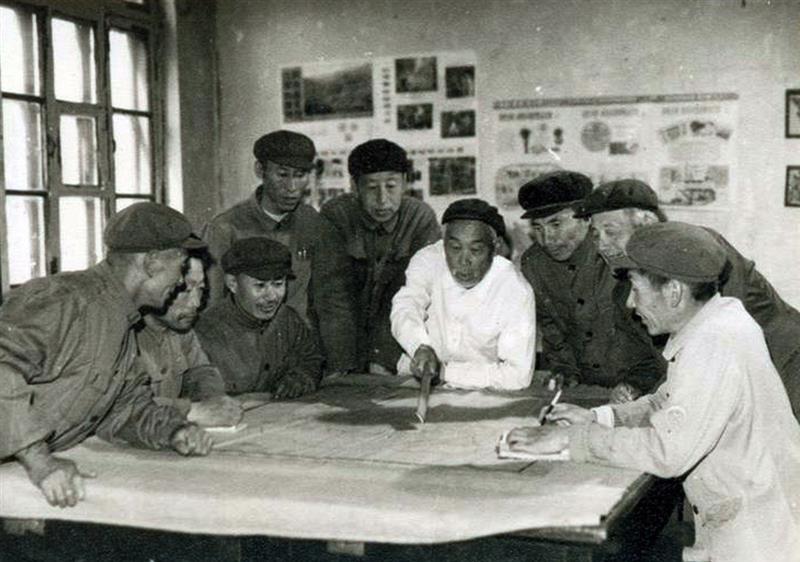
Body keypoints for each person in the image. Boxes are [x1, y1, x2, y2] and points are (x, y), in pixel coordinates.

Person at [506, 222, 800, 562]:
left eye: (636, 289)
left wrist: (570, 441)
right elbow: (667, 400)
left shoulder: (713, 343)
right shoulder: (718, 319)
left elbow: (667, 452)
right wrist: (600, 417)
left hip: (759, 539)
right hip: (755, 513)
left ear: (673, 292)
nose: (631, 303)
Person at [0, 202, 213, 508]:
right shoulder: (65, 301)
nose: (181, 282)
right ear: (152, 263)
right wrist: (40, 461)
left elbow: (124, 409)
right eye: (180, 268)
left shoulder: (122, 323)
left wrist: (172, 430)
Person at [574, 179, 800, 415]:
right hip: (728, 378)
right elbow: (648, 358)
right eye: (595, 235)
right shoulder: (627, 292)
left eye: (611, 232)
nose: (602, 245)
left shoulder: (698, 249)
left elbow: (720, 338)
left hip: (785, 362)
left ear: (646, 224)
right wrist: (633, 385)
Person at [517, 171, 660, 398]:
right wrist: (564, 369)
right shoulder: (534, 263)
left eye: (556, 224)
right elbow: (549, 325)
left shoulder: (617, 252)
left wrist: (639, 384)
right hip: (583, 386)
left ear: (585, 218)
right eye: (538, 228)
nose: (547, 239)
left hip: (642, 386)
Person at [313, 139, 441, 376]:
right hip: (340, 340)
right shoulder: (336, 216)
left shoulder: (420, 219)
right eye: (372, 188)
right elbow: (333, 295)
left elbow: (409, 294)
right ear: (354, 186)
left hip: (395, 340)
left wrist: (382, 357)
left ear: (405, 182)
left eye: (391, 186)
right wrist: (342, 365)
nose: (383, 199)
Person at [391, 199, 535, 390]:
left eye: (475, 250)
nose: (463, 261)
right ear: (443, 244)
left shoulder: (515, 289)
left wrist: (445, 372)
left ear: (496, 247)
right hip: (416, 381)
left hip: (482, 390)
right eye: (455, 248)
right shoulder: (428, 260)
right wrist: (419, 346)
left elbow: (517, 376)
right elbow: (406, 305)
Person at [202, 130, 322, 323]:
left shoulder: (311, 221)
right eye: (282, 174)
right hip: (242, 339)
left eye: (300, 175)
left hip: (298, 338)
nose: (292, 187)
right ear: (260, 170)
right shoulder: (225, 228)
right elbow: (210, 305)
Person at [195, 237, 323, 400]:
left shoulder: (288, 319)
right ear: (233, 283)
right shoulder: (206, 333)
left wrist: (301, 377)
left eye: (278, 284)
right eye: (260, 286)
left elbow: (311, 358)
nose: (272, 296)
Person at [138, 254, 243, 427]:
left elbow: (202, 372)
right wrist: (191, 411)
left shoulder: (181, 330)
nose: (196, 303)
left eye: (200, 289)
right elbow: (123, 407)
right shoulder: (121, 334)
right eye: (186, 291)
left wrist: (215, 400)